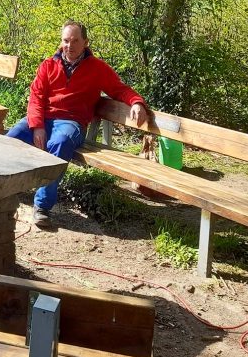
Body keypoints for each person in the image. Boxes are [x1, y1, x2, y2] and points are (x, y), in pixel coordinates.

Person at [8, 20, 148, 228]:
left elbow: (119, 89)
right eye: (66, 40)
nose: (69, 45)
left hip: (70, 123)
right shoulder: (48, 65)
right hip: (42, 119)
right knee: (11, 138)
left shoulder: (97, 68)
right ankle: (4, 193)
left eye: (75, 40)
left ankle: (42, 206)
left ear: (85, 42)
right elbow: (36, 97)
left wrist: (136, 102)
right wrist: (37, 125)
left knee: (60, 143)